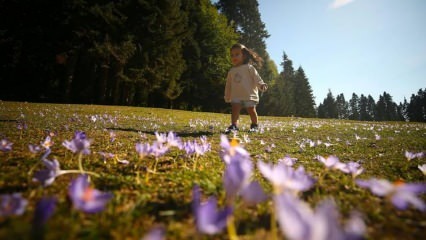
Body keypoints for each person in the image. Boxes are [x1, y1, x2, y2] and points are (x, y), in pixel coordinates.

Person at [224, 43, 268, 133]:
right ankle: (234, 125)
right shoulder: (231, 71)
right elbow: (228, 85)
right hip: (236, 95)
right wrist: (227, 96)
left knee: (251, 110)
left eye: (237, 54)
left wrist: (261, 85)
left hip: (249, 95)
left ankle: (254, 125)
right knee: (235, 109)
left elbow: (257, 78)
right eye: (232, 55)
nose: (234, 57)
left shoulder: (249, 68)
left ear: (244, 55)